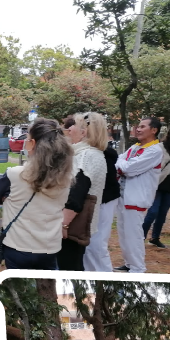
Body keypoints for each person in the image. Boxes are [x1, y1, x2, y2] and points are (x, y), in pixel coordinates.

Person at [0, 118, 76, 270]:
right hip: (49, 247)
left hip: (17, 245)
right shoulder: (67, 178)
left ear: (32, 143)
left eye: (26, 139)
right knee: (46, 290)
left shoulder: (15, 174)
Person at [112, 116, 167, 273]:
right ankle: (129, 263)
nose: (138, 129)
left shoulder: (154, 150)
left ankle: (138, 268)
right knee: (123, 233)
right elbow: (120, 161)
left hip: (136, 199)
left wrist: (123, 166)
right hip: (124, 196)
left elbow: (128, 169)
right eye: (138, 126)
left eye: (143, 126)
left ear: (154, 130)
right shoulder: (135, 147)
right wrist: (124, 165)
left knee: (133, 235)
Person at [60, 113, 109, 270]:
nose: (69, 128)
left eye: (73, 124)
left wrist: (64, 224)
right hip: (74, 225)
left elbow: (76, 195)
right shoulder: (85, 153)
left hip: (72, 227)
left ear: (84, 131)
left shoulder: (88, 156)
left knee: (69, 267)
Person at [82, 121, 125, 273]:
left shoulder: (105, 154)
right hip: (95, 201)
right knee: (89, 245)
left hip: (103, 201)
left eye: (83, 127)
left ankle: (105, 275)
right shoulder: (88, 152)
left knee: (97, 244)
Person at [144, 124, 170, 248]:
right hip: (158, 186)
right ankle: (140, 237)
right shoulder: (159, 148)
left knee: (162, 214)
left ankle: (155, 238)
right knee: (153, 212)